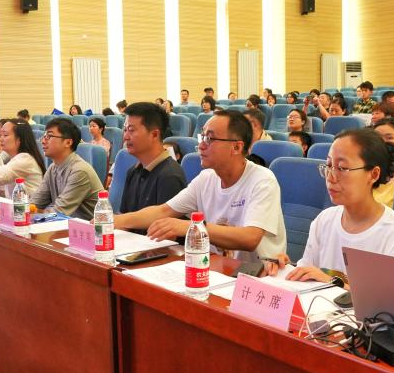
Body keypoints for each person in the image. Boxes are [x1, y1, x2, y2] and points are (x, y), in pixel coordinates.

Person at [115, 110, 287, 263]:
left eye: (210, 139)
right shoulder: (206, 178)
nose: (201, 145)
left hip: (258, 273)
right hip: (216, 267)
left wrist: (189, 226)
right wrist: (112, 221)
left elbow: (250, 238)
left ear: (236, 147)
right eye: (202, 137)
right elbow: (164, 211)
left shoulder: (262, 180)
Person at [272, 129, 394, 282]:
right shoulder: (324, 220)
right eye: (329, 165)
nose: (331, 177)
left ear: (373, 174)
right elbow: (306, 275)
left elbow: (392, 297)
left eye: (342, 168)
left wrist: (331, 282)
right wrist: (283, 269)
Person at [119, 103, 188, 218]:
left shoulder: (170, 176)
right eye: (125, 130)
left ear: (155, 134)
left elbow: (166, 226)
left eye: (131, 130)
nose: (125, 136)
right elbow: (124, 217)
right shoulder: (133, 172)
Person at [31, 118, 104, 219]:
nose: (43, 141)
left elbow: (58, 213)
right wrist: (29, 210)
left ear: (68, 142)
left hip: (89, 227)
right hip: (65, 225)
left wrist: (35, 213)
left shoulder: (79, 171)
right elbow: (35, 204)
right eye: (44, 136)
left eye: (49, 136)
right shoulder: (52, 168)